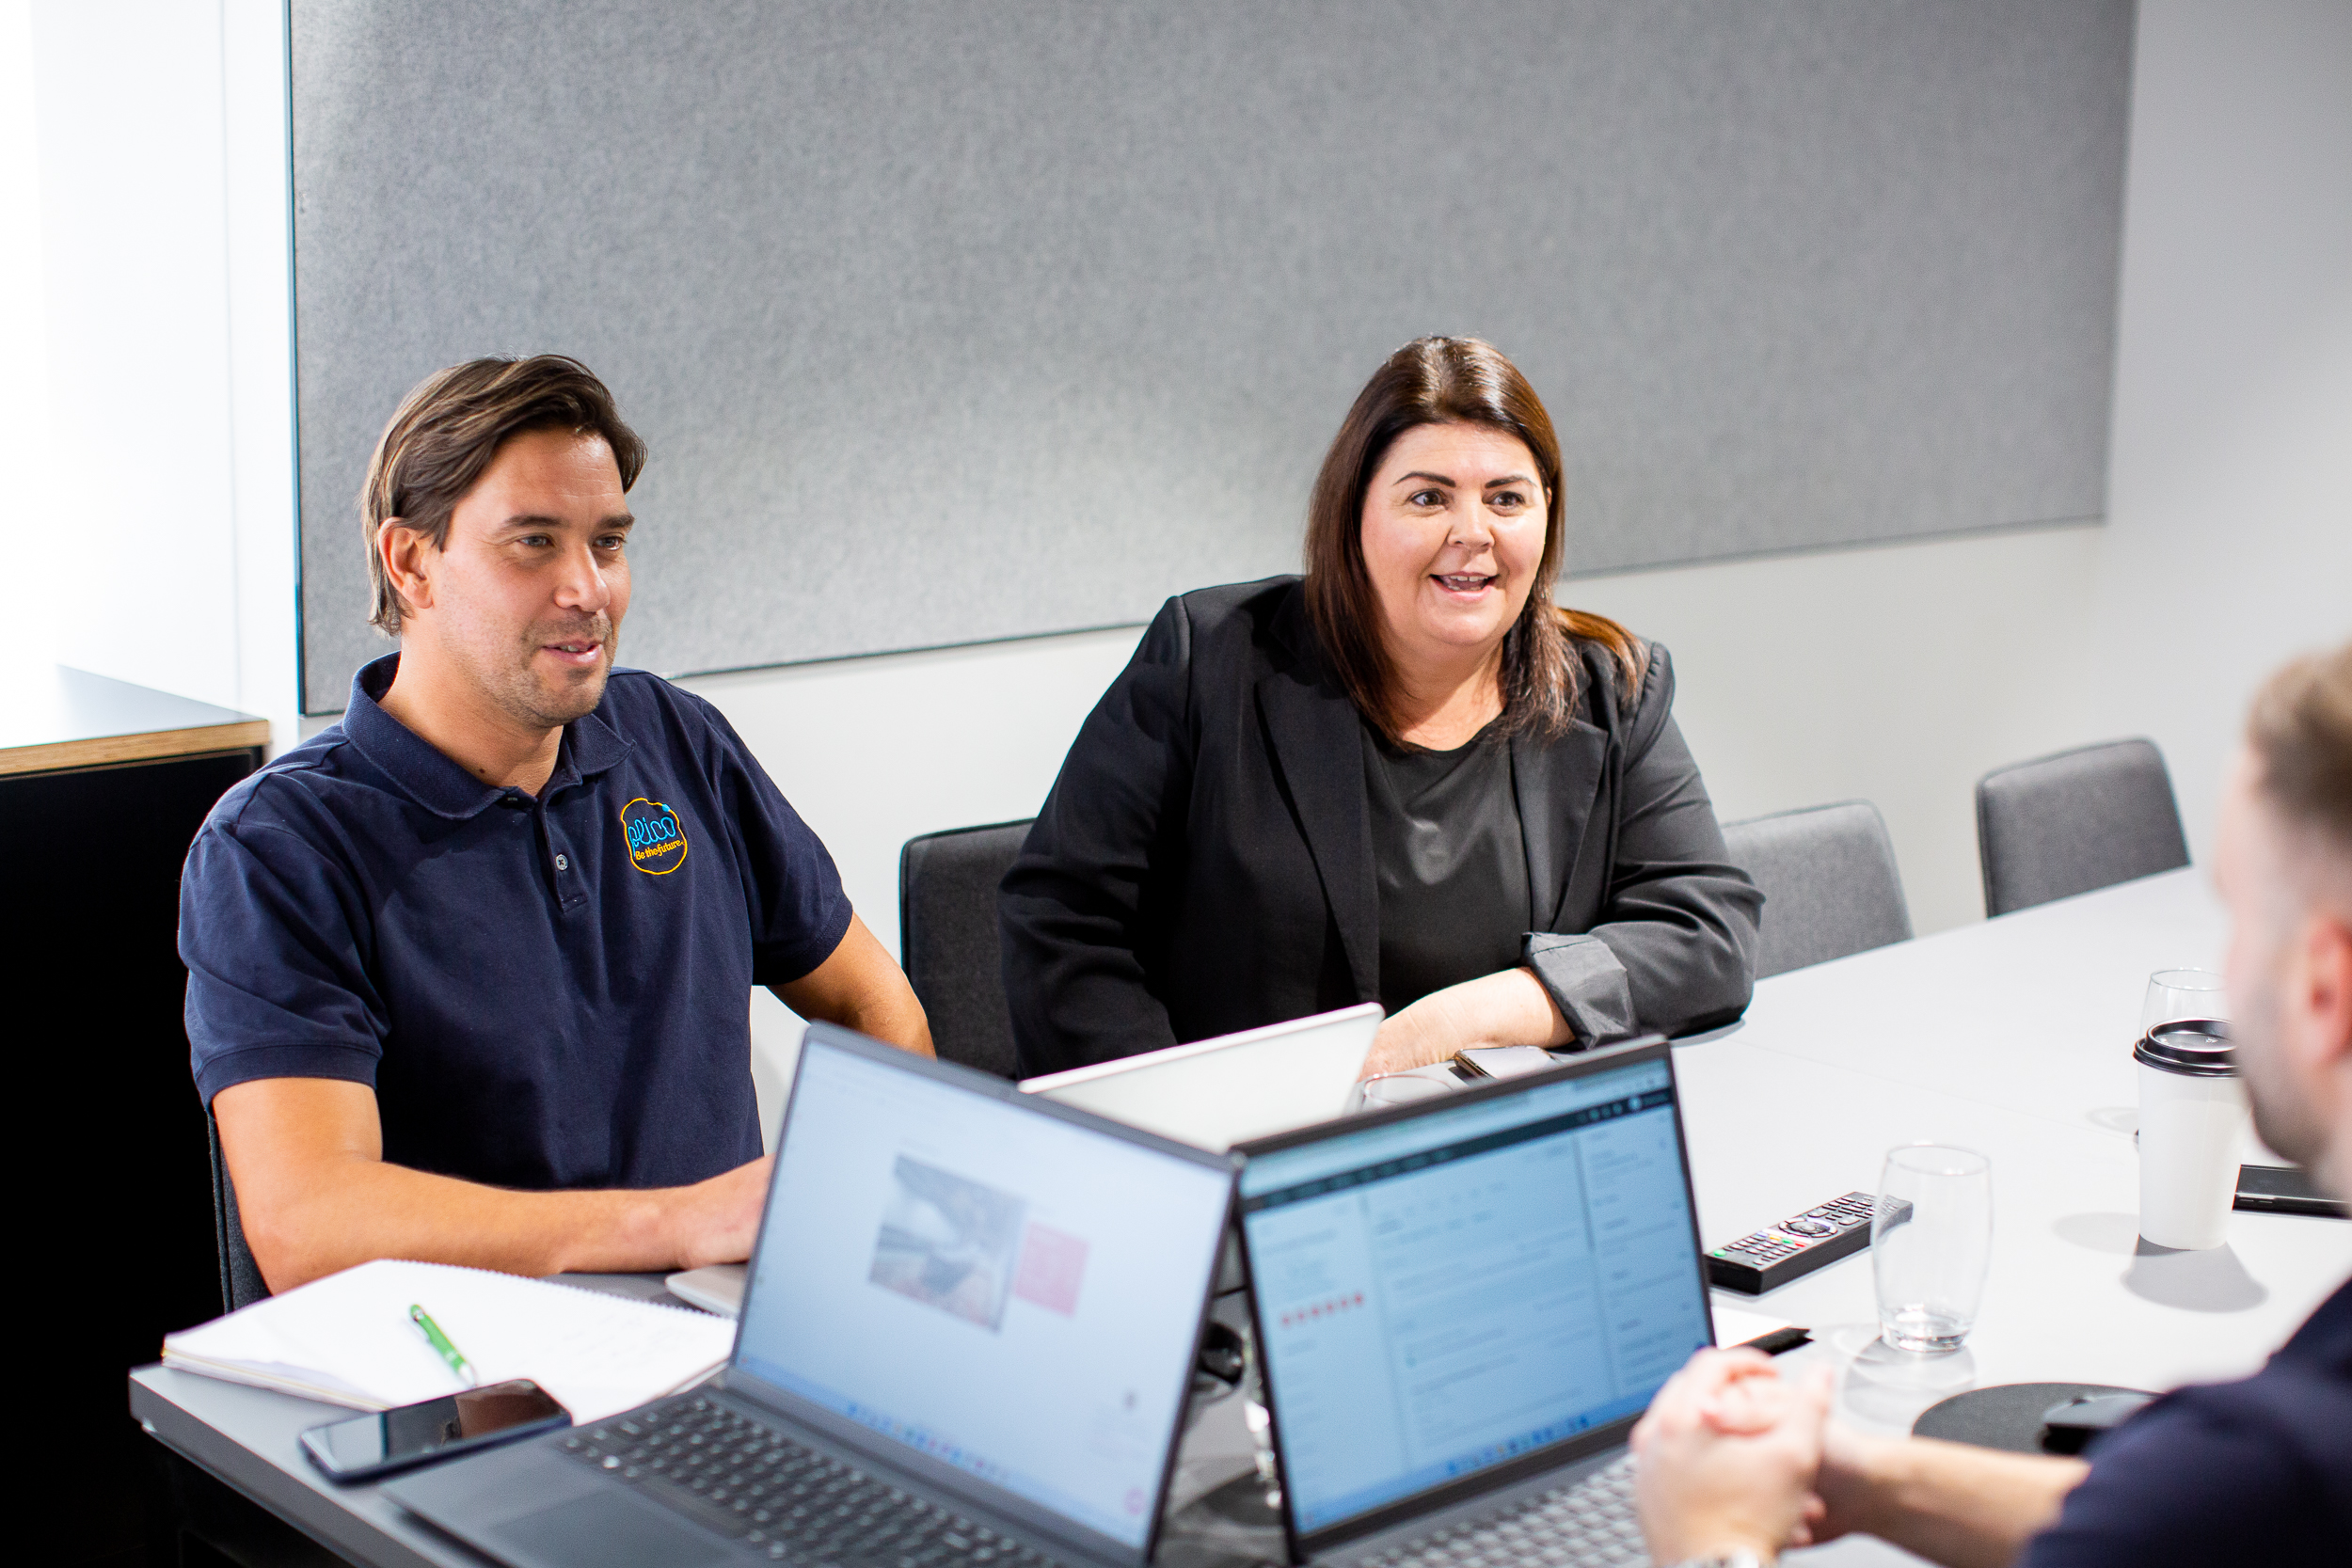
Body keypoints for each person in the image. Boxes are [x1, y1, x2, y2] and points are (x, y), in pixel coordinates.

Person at [183, 356, 933, 1294]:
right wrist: (676, 1220)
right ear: (411, 562)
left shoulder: (671, 736)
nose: (590, 588)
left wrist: (881, 1201)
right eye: (533, 542)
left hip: (729, 1336)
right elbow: (309, 1223)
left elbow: (871, 1002)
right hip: (482, 1377)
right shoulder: (279, 844)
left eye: (608, 542)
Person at [1629, 638, 2352, 1567]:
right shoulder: (2270, 1468)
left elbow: (2240, 1492)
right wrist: (1862, 1479)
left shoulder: (2290, 1452)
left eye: (2238, 915)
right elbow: (2187, 1515)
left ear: (2323, 989)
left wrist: (1710, 1536)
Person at [1000, 337, 1760, 1079]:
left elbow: (1708, 931)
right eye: (1428, 497)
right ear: (1354, 513)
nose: (1473, 534)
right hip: (1264, 1150)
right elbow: (1062, 919)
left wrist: (1482, 1013)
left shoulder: (1614, 684)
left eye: (1506, 498)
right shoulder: (1212, 658)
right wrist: (1176, 1124)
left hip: (1505, 1142)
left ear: (1547, 514)